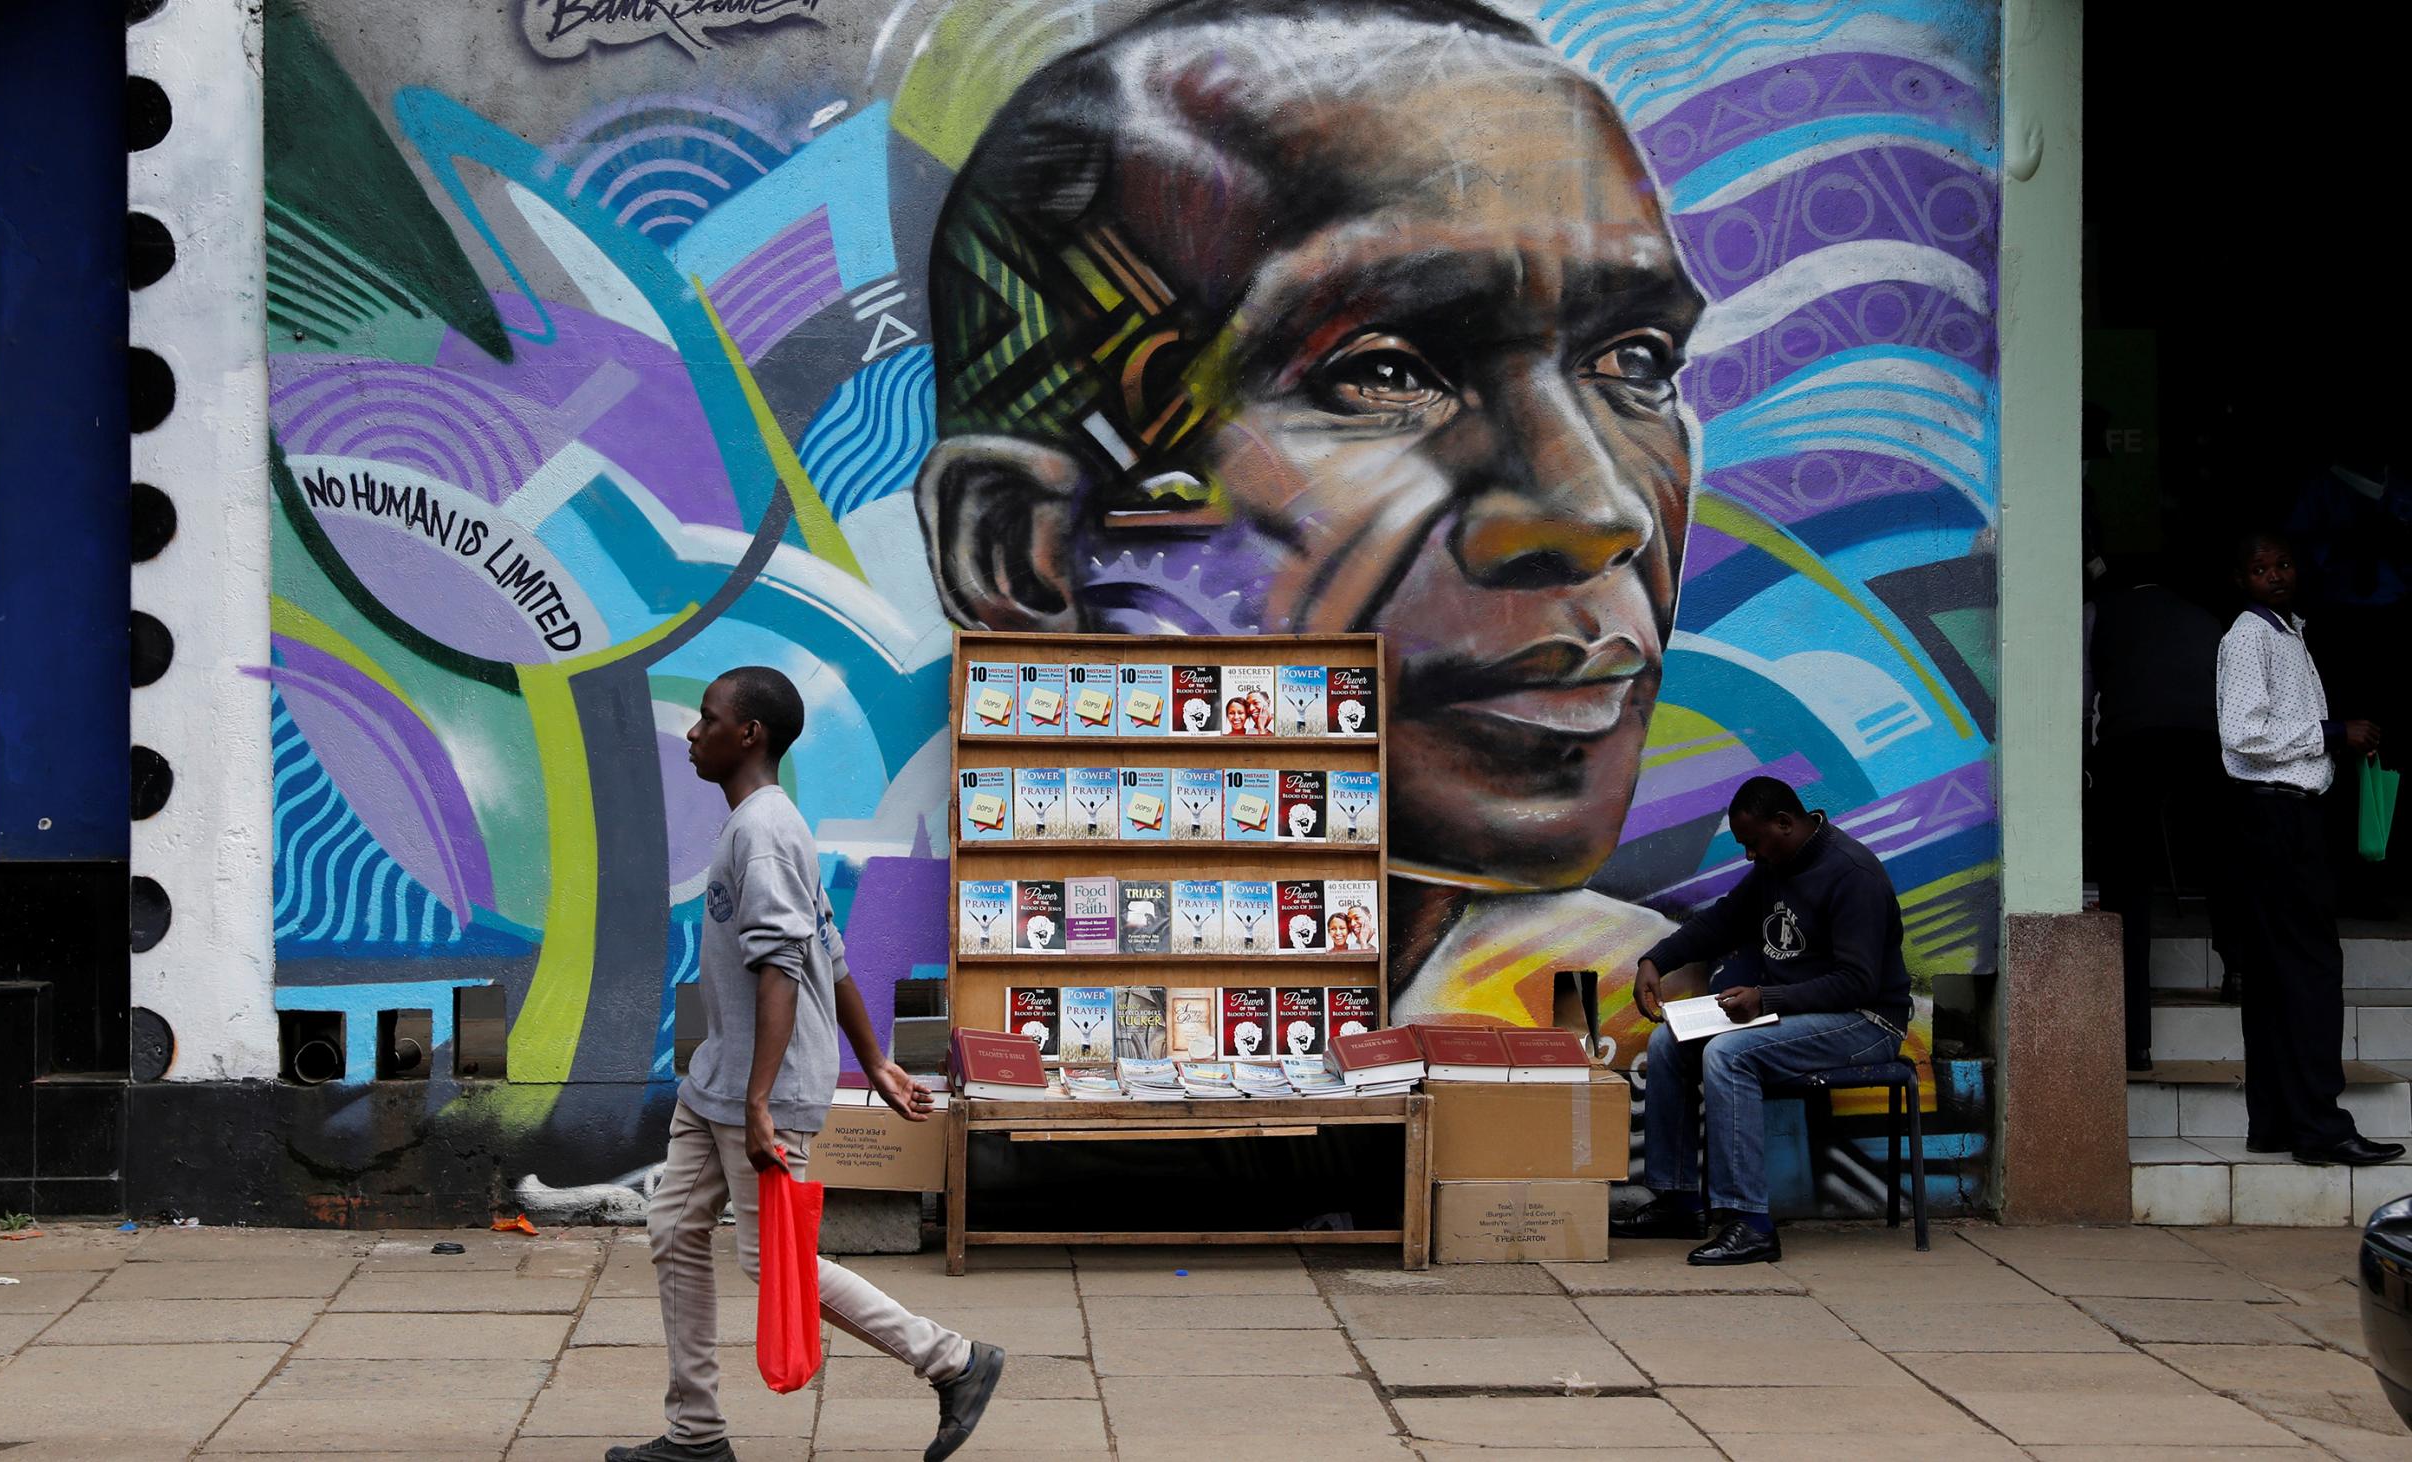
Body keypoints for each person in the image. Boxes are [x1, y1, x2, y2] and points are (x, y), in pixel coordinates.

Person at [914, 0, 1704, 1036]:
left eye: (1632, 360)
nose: (1593, 509)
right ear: (1018, 555)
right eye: (1381, 371)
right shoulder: (1066, 1025)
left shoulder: (1635, 1007)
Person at [611, 667, 1002, 1462]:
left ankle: (953, 1360)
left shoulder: (764, 831)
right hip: (717, 1080)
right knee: (674, 1227)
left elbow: (788, 968)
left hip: (765, 1089)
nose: (693, 732)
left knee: (773, 1261)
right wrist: (877, 1061)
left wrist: (760, 1102)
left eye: (708, 719)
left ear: (747, 735)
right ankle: (695, 1433)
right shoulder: (762, 824)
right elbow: (832, 950)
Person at [1612, 777, 1912, 1265]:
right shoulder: (1778, 864)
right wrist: (1656, 960)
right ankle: (1680, 1201)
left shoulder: (1852, 874)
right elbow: (1726, 918)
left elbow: (1858, 982)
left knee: (1730, 1054)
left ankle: (1749, 1223)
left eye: (1753, 843)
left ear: (1785, 824)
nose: (1750, 856)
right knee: (1670, 1043)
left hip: (1864, 1021)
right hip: (1794, 1012)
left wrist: (1765, 996)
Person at [2216, 532, 2404, 1166]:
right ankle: (2321, 1127)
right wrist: (2330, 732)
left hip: (2281, 817)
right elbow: (2241, 734)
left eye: (2284, 564)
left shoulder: (2288, 631)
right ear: (2239, 579)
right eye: (2260, 568)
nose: (2275, 575)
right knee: (2311, 972)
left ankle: (2274, 1123)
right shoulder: (2250, 633)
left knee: (2273, 976)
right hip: (2275, 818)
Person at [2087, 566, 2236, 1065]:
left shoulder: (2097, 612)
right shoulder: (2207, 619)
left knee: (2127, 883)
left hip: (2129, 745)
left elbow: (2086, 699)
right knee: (2219, 859)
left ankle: (2134, 1042)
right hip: (2205, 744)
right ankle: (2237, 969)